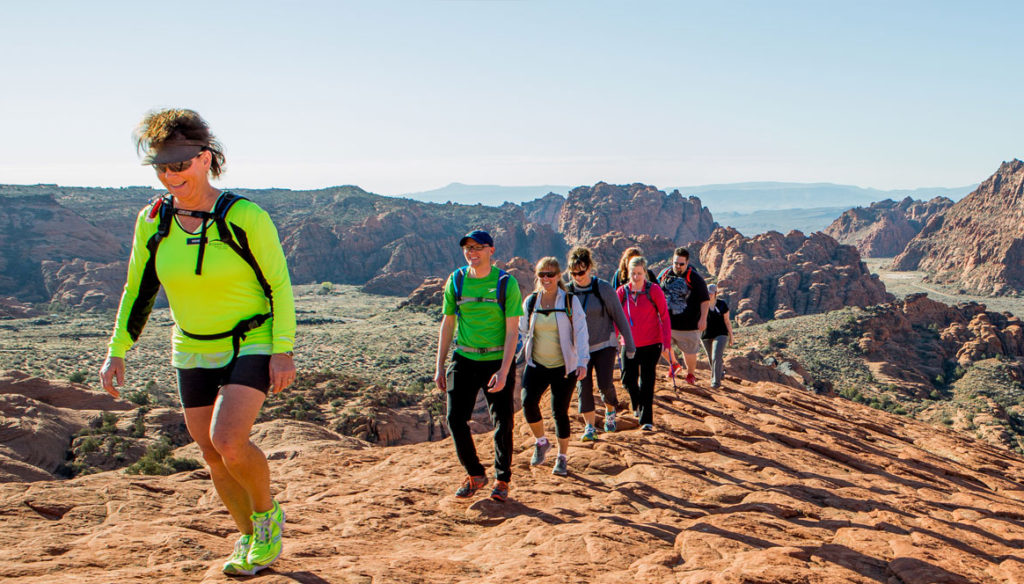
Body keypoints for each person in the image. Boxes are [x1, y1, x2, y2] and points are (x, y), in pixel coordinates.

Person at [99, 109, 295, 577]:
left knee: (227, 439)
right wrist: (117, 349)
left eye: (179, 165)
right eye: (161, 167)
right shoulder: (153, 220)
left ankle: (268, 518)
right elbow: (138, 289)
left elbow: (280, 285)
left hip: (252, 340)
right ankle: (247, 536)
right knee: (209, 453)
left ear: (205, 159)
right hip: (191, 345)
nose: (170, 175)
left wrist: (282, 348)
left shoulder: (244, 215)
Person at [434, 230, 523, 502]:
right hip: (465, 358)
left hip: (496, 361)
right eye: (467, 248)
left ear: (491, 250)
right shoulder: (457, 280)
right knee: (454, 419)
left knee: (503, 421)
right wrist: (440, 365)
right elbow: (448, 323)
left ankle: (502, 479)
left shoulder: (506, 283)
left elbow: (512, 332)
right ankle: (475, 474)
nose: (472, 252)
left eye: (477, 248)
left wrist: (505, 370)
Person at [518, 257, 589, 476]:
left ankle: (562, 457)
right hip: (536, 364)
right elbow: (521, 331)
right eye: (542, 274)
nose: (546, 278)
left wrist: (582, 361)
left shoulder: (569, 301)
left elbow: (581, 331)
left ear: (559, 276)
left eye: (550, 274)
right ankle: (541, 442)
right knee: (528, 402)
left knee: (559, 412)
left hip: (563, 366)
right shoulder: (531, 302)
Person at [565, 247, 636, 439]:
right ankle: (589, 427)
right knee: (583, 387)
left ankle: (610, 411)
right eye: (573, 273)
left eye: (580, 272)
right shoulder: (567, 291)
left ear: (589, 268)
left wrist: (630, 345)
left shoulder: (602, 288)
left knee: (605, 384)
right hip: (580, 350)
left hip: (605, 344)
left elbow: (619, 317)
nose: (577, 277)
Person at [616, 256, 671, 431]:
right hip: (629, 343)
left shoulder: (653, 290)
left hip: (651, 343)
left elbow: (664, 316)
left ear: (645, 272)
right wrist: (614, 340)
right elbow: (616, 319)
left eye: (639, 273)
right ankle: (637, 403)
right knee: (627, 380)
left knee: (647, 381)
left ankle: (646, 420)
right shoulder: (621, 292)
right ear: (628, 272)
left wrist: (666, 342)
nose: (636, 277)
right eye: (633, 273)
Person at [658, 247, 710, 386]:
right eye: (676, 263)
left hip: (689, 325)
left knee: (689, 352)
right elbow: (656, 291)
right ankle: (674, 364)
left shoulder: (695, 278)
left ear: (687, 263)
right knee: (662, 346)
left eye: (681, 264)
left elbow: (705, 300)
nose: (678, 266)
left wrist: (703, 319)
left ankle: (690, 374)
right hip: (667, 322)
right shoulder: (665, 274)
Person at [702, 284, 734, 389]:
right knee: (711, 358)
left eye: (711, 293)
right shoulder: (702, 304)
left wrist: (731, 336)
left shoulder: (721, 305)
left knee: (716, 356)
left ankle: (715, 382)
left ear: (716, 293)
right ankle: (720, 373)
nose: (709, 295)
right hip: (705, 335)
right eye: (707, 293)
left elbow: (727, 321)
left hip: (720, 334)